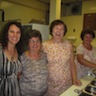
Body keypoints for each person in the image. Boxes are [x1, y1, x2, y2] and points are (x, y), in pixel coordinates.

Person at [42, 19, 81, 96]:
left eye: (62, 29)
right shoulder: (44, 45)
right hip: (50, 85)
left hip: (67, 83)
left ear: (64, 32)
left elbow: (72, 64)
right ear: (52, 30)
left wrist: (74, 79)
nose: (59, 31)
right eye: (56, 28)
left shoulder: (69, 45)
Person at [19, 29, 48, 96]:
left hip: (44, 94)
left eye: (37, 41)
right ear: (28, 44)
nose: (35, 44)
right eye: (32, 41)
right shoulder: (22, 58)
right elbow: (17, 75)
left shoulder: (44, 56)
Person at [0, 21, 23, 96]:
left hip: (16, 91)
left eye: (18, 32)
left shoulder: (19, 51)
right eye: (12, 32)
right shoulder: (0, 50)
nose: (15, 35)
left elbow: (17, 73)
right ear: (6, 33)